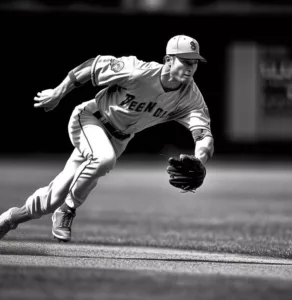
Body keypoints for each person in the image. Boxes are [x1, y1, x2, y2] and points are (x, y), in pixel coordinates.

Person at [0, 34, 214, 242]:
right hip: (90, 120)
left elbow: (203, 135)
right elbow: (92, 66)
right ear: (168, 59)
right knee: (103, 159)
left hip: (119, 139)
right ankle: (68, 208)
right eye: (185, 61)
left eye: (194, 63)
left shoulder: (190, 97)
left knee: (52, 198)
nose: (190, 67)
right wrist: (58, 92)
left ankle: (9, 219)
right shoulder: (138, 71)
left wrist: (199, 160)